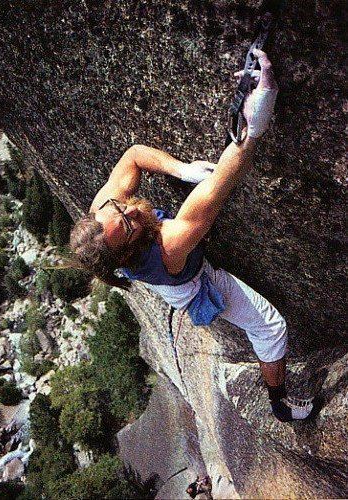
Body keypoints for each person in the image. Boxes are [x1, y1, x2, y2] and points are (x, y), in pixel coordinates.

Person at [70, 49, 315, 422]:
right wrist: (259, 108)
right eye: (131, 225)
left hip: (162, 272)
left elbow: (134, 155)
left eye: (121, 209)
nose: (134, 210)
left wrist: (182, 170)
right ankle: (279, 402)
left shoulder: (105, 212)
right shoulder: (168, 246)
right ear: (127, 251)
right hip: (191, 283)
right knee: (270, 326)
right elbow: (220, 185)